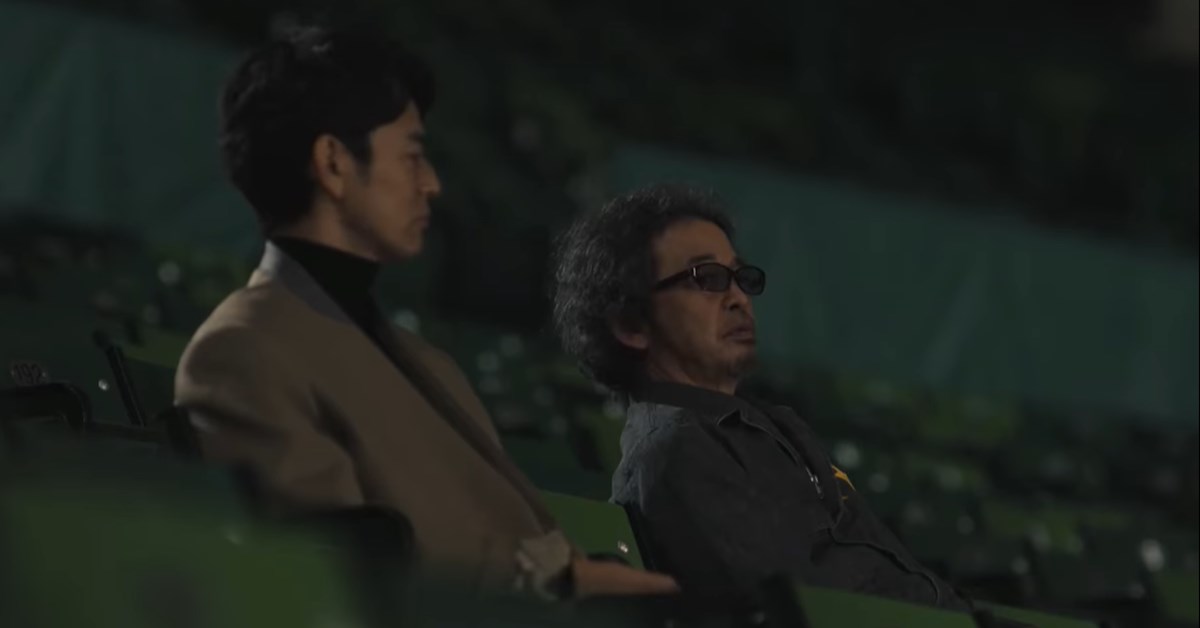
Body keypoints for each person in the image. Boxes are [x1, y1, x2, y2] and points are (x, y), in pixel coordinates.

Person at [174, 24, 677, 600]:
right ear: (334, 164)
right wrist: (555, 580)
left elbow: (528, 541)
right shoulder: (241, 352)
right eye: (412, 157)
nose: (432, 184)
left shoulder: (428, 364)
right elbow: (336, 566)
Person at [550, 184, 972, 611]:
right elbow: (797, 607)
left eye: (740, 278)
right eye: (707, 278)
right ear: (630, 325)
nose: (738, 298)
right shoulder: (676, 450)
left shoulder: (772, 426)